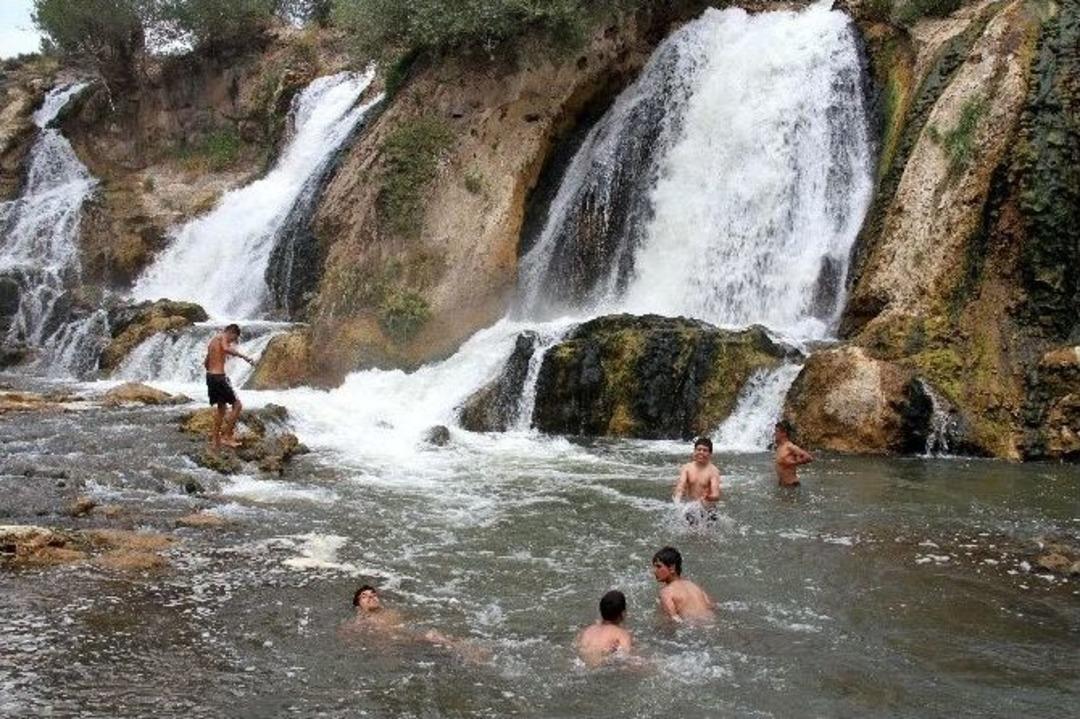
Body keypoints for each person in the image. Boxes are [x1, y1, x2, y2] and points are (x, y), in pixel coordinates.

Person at [203, 323, 254, 451]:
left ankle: (216, 440)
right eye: (234, 338)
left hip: (210, 377)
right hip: (219, 378)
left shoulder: (212, 341)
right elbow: (225, 348)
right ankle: (227, 436)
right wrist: (244, 357)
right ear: (231, 332)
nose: (233, 341)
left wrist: (213, 370)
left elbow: (206, 362)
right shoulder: (223, 337)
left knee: (221, 409)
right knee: (237, 405)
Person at [651, 546, 714, 623]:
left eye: (658, 566)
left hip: (692, 627)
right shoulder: (694, 586)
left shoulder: (666, 592)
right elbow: (711, 606)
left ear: (672, 568)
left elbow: (673, 619)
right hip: (710, 622)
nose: (654, 571)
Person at [576, 590, 634, 667]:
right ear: (623, 613)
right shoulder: (621, 634)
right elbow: (627, 657)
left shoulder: (587, 630)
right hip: (603, 667)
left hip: (582, 665)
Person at [673, 436, 721, 524]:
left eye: (705, 450)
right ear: (694, 451)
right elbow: (681, 485)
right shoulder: (687, 468)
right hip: (691, 508)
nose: (701, 452)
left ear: (710, 454)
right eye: (699, 449)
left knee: (708, 537)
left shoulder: (713, 471)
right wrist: (678, 498)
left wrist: (708, 497)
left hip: (708, 510)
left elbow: (716, 494)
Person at [774, 420, 813, 487]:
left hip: (792, 485)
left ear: (784, 433)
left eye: (777, 431)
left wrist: (793, 463)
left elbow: (809, 457)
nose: (775, 433)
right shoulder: (779, 446)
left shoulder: (790, 446)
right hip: (783, 485)